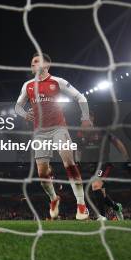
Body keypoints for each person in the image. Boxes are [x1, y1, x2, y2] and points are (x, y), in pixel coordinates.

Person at [15, 53, 91, 220]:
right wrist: (23, 115)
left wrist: (85, 118)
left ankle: (81, 206)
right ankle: (54, 198)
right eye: (31, 62)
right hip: (39, 133)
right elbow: (17, 106)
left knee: (69, 163)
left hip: (59, 129)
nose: (32, 65)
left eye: (36, 61)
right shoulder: (27, 85)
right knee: (42, 173)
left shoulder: (58, 82)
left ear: (46, 65)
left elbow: (81, 97)